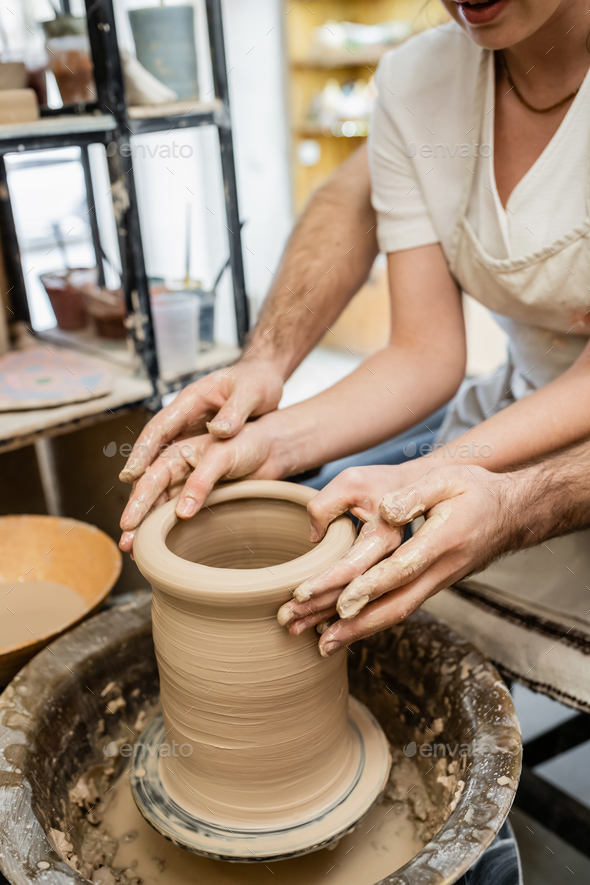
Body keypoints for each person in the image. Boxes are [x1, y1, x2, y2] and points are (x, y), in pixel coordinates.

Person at [120, 0, 590, 655]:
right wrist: (272, 440)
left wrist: (449, 474)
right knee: (366, 560)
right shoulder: (415, 82)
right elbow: (422, 353)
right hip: (528, 405)